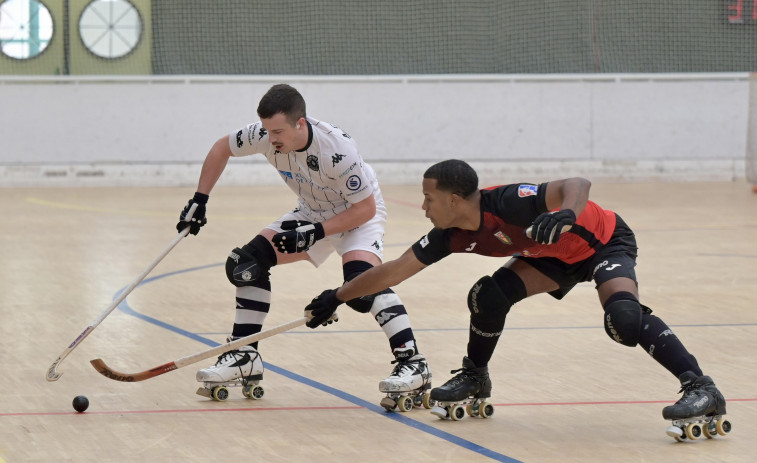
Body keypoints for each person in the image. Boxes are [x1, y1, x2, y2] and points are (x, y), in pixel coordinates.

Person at [304, 159, 728, 428]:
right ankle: (475, 377)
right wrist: (337, 296)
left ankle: (701, 388)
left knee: (624, 321)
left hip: (602, 242)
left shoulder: (510, 202)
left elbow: (577, 181)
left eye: (428, 198)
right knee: (487, 296)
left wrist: (566, 213)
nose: (424, 207)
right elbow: (395, 271)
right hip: (550, 257)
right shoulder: (448, 234)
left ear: (454, 200)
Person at [176, 84, 431, 404]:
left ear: (301, 124)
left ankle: (412, 363)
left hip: (358, 215)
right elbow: (220, 148)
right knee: (246, 264)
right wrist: (200, 200)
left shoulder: (336, 151)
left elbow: (364, 209)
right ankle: (244, 356)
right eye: (267, 131)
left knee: (361, 287)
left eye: (278, 131)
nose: (271, 139)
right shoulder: (264, 133)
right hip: (311, 212)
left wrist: (316, 232)